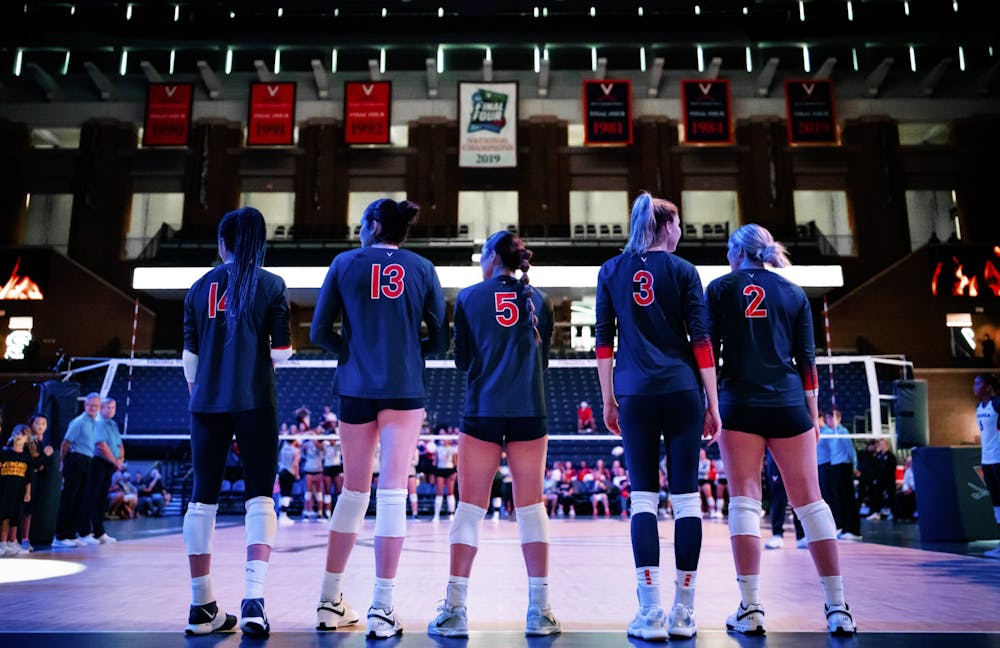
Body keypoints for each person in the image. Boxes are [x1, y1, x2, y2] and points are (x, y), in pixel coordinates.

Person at [705, 223, 856, 636]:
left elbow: (709, 354)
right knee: (811, 503)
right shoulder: (793, 293)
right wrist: (812, 414)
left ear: (736, 252)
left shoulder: (719, 288)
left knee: (744, 501)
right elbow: (807, 360)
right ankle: (838, 607)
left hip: (739, 403)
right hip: (790, 404)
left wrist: (711, 405)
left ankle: (751, 608)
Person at [310, 197, 447, 639]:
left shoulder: (344, 262)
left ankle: (329, 601)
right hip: (404, 387)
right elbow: (440, 338)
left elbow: (317, 332)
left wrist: (350, 354)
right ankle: (382, 609)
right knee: (391, 494)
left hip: (354, 387)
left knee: (353, 492)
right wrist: (410, 354)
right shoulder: (423, 268)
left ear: (372, 225)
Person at [595, 192, 721, 640]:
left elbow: (603, 343)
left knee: (643, 499)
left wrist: (608, 398)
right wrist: (713, 401)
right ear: (666, 227)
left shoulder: (610, 270)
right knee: (687, 499)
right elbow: (702, 341)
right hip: (684, 390)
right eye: (679, 224)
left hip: (634, 393)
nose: (682, 231)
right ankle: (684, 612)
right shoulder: (685, 271)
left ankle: (650, 614)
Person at [427, 230, 559, 638]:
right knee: (531, 508)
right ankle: (539, 611)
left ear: (490, 256)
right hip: (528, 411)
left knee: (469, 508)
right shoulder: (540, 300)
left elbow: (462, 362)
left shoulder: (468, 297)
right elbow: (545, 364)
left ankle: (455, 610)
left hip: (483, 411)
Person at [181, 206, 292, 636]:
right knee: (259, 497)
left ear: (222, 243)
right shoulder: (271, 284)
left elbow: (189, 360)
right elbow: (280, 352)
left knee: (201, 500)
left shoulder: (197, 288)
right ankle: (253, 601)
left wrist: (207, 390)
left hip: (206, 402)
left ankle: (201, 606)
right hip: (254, 399)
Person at [53, 392, 102, 548]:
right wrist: (62, 463)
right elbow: (65, 444)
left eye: (96, 405)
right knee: (69, 498)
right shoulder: (78, 422)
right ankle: (60, 536)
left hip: (87, 461)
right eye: (90, 405)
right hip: (75, 460)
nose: (93, 408)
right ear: (85, 405)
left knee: (80, 499)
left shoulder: (95, 422)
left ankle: (71, 534)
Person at [82, 397, 124, 544]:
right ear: (102, 408)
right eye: (108, 407)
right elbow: (100, 445)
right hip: (98, 463)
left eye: (113, 407)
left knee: (101, 499)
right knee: (92, 498)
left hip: (109, 465)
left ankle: (100, 532)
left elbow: (119, 444)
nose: (111, 410)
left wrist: (120, 459)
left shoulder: (113, 424)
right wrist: (115, 461)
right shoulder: (99, 423)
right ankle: (87, 531)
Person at [819, 409, 861, 540]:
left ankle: (854, 530)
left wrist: (854, 467)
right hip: (835, 467)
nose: (828, 421)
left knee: (848, 498)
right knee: (840, 498)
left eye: (831, 418)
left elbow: (851, 451)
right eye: (827, 418)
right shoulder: (829, 433)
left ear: (838, 418)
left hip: (844, 466)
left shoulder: (843, 432)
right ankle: (844, 527)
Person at [973, 373, 1000, 558]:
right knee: (997, 504)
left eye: (978, 383)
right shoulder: (978, 407)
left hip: (999, 460)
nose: (974, 387)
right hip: (987, 460)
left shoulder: (997, 403)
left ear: (988, 386)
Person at [19, 414, 54, 552]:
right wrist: (44, 456)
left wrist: (43, 462)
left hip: (36, 480)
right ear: (31, 424)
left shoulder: (41, 442)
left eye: (44, 423)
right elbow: (33, 462)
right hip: (25, 479)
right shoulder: (29, 441)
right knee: (22, 509)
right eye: (38, 423)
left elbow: (44, 466)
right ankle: (16, 540)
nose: (40, 426)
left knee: (29, 511)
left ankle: (25, 539)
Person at [1, 425, 32, 557]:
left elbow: (28, 478)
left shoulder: (26, 457)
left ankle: (11, 542)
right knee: (4, 517)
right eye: (17, 433)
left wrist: (27, 493)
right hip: (5, 491)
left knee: (15, 517)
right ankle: (2, 543)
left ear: (27, 439)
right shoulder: (4, 452)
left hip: (18, 492)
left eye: (23, 434)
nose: (19, 435)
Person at [433, 436, 458, 521]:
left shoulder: (453, 449)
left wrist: (455, 472)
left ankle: (451, 514)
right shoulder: (438, 449)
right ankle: (436, 515)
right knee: (439, 492)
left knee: (450, 492)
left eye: (445, 438)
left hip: (449, 470)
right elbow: (435, 462)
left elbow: (455, 463)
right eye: (442, 438)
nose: (443, 440)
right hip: (440, 470)